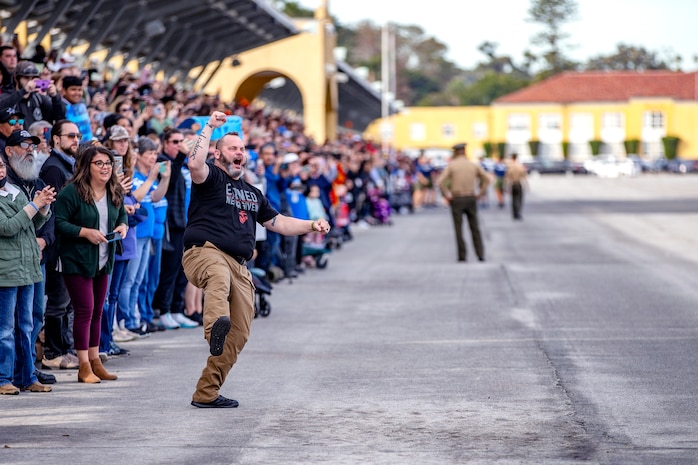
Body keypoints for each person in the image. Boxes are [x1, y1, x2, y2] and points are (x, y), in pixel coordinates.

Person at [182, 111, 331, 408]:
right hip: (204, 251)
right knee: (218, 276)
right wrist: (209, 127)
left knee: (240, 333)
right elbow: (193, 163)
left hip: (238, 263)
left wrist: (311, 224)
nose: (239, 153)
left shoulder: (252, 192)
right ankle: (213, 331)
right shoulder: (210, 177)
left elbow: (278, 222)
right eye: (232, 148)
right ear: (218, 154)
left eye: (242, 149)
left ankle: (206, 392)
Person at [53, 145, 127, 383]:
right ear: (87, 166)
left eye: (108, 163)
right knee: (84, 311)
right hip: (77, 259)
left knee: (98, 312)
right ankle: (83, 365)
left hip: (104, 258)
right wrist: (84, 232)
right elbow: (59, 223)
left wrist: (123, 226)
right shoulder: (71, 193)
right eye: (99, 163)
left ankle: (96, 361)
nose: (105, 168)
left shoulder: (113, 190)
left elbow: (122, 214)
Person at [0, 134, 55, 395]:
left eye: (0, 166)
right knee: (5, 330)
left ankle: (27, 376)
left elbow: (32, 226)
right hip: (6, 272)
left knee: (27, 326)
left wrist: (43, 209)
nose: (0, 170)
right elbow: (8, 228)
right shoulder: (17, 195)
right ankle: (3, 379)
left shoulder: (15, 191)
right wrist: (34, 205)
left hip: (29, 268)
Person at [39, 120, 81, 370]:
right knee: (58, 301)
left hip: (68, 242)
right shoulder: (54, 168)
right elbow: (52, 211)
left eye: (78, 135)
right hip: (58, 244)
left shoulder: (69, 164)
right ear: (56, 139)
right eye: (70, 136)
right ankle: (53, 352)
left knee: (66, 302)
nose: (76, 140)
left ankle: (64, 348)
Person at [437, 143, 490, 263]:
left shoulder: (452, 166)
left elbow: (440, 182)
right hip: (471, 197)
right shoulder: (472, 165)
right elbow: (487, 179)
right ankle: (480, 253)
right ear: (465, 152)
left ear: (456, 152)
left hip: (457, 198)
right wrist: (480, 193)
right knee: (475, 227)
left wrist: (447, 195)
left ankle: (462, 255)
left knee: (458, 229)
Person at [0, 60, 66, 128]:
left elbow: (59, 116)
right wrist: (24, 91)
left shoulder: (39, 98)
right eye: (26, 78)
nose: (30, 81)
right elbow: (2, 107)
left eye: (33, 78)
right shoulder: (7, 96)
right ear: (16, 78)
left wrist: (55, 96)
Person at [504, 152, 528, 220]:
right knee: (519, 199)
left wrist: (506, 187)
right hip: (518, 184)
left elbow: (507, 178)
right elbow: (524, 177)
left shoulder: (510, 167)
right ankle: (518, 213)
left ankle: (514, 213)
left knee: (513, 200)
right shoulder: (520, 166)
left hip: (513, 184)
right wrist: (527, 186)